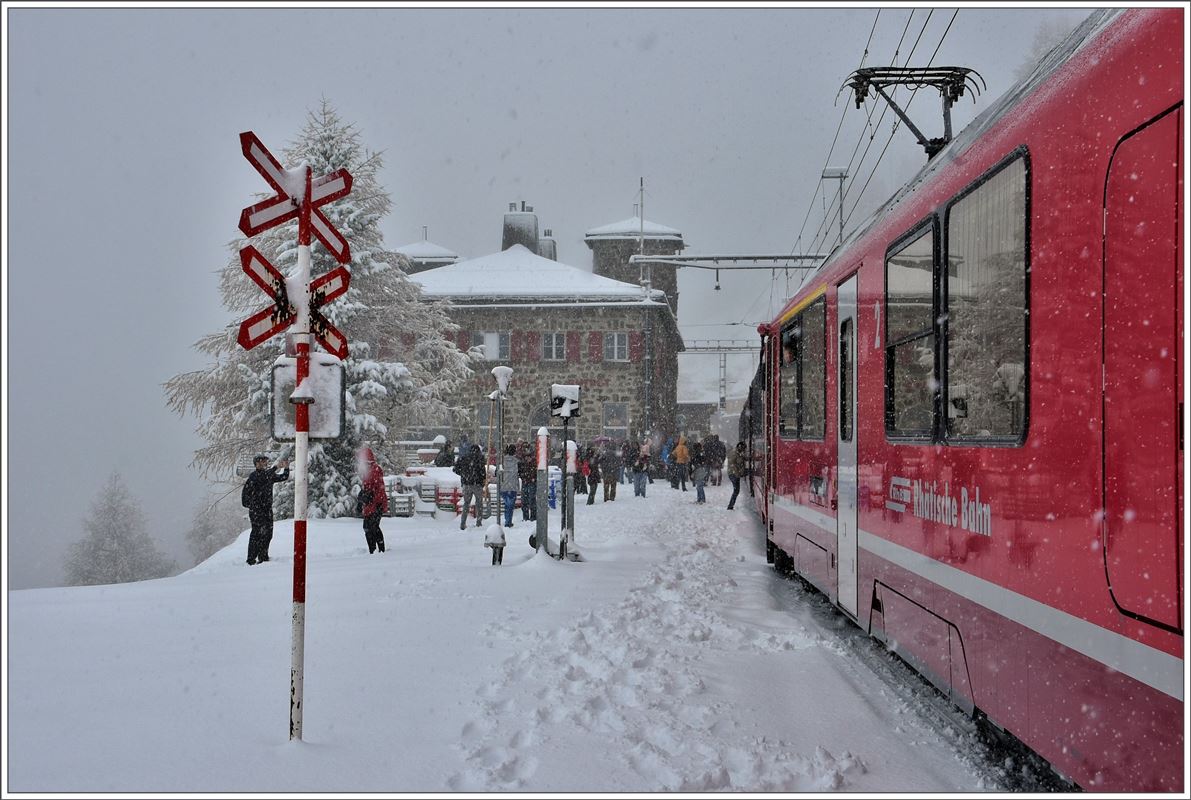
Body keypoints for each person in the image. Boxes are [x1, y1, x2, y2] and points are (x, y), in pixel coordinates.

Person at [241, 454, 289, 565]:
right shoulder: (253, 476)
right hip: (256, 511)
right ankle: (251, 559)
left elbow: (283, 477)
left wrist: (286, 467)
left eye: (265, 461)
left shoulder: (269, 475)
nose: (265, 463)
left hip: (267, 510)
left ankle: (263, 557)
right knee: (256, 534)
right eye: (262, 461)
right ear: (257, 464)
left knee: (268, 533)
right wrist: (275, 467)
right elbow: (263, 478)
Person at [355, 446, 388, 553]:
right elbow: (367, 488)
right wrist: (361, 501)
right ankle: (372, 550)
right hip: (371, 504)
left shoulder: (376, 470)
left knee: (373, 527)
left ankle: (380, 549)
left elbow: (377, 488)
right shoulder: (367, 471)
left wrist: (369, 497)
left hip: (378, 503)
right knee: (367, 527)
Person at [453, 443, 487, 529]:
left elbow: (455, 469)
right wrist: (482, 481)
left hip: (466, 484)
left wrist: (463, 475)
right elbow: (483, 472)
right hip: (477, 484)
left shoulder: (464, 458)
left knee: (466, 504)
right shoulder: (480, 459)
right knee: (479, 503)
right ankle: (479, 522)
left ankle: (463, 522)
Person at [499, 444, 519, 527]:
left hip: (504, 486)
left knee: (506, 505)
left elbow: (499, 472)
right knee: (510, 506)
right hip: (513, 486)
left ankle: (507, 519)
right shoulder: (516, 461)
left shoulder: (503, 461)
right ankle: (508, 521)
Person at [517, 442, 537, 521]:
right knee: (526, 500)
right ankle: (527, 517)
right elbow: (520, 471)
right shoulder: (522, 461)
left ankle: (531, 516)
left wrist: (532, 477)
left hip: (530, 481)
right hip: (527, 481)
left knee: (531, 499)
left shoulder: (531, 460)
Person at [727, 441, 747, 511]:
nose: (744, 450)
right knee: (736, 490)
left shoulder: (738, 453)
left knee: (736, 491)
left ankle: (731, 505)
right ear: (740, 447)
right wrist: (738, 473)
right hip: (733, 474)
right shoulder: (735, 453)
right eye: (744, 448)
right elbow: (733, 464)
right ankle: (730, 506)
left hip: (735, 474)